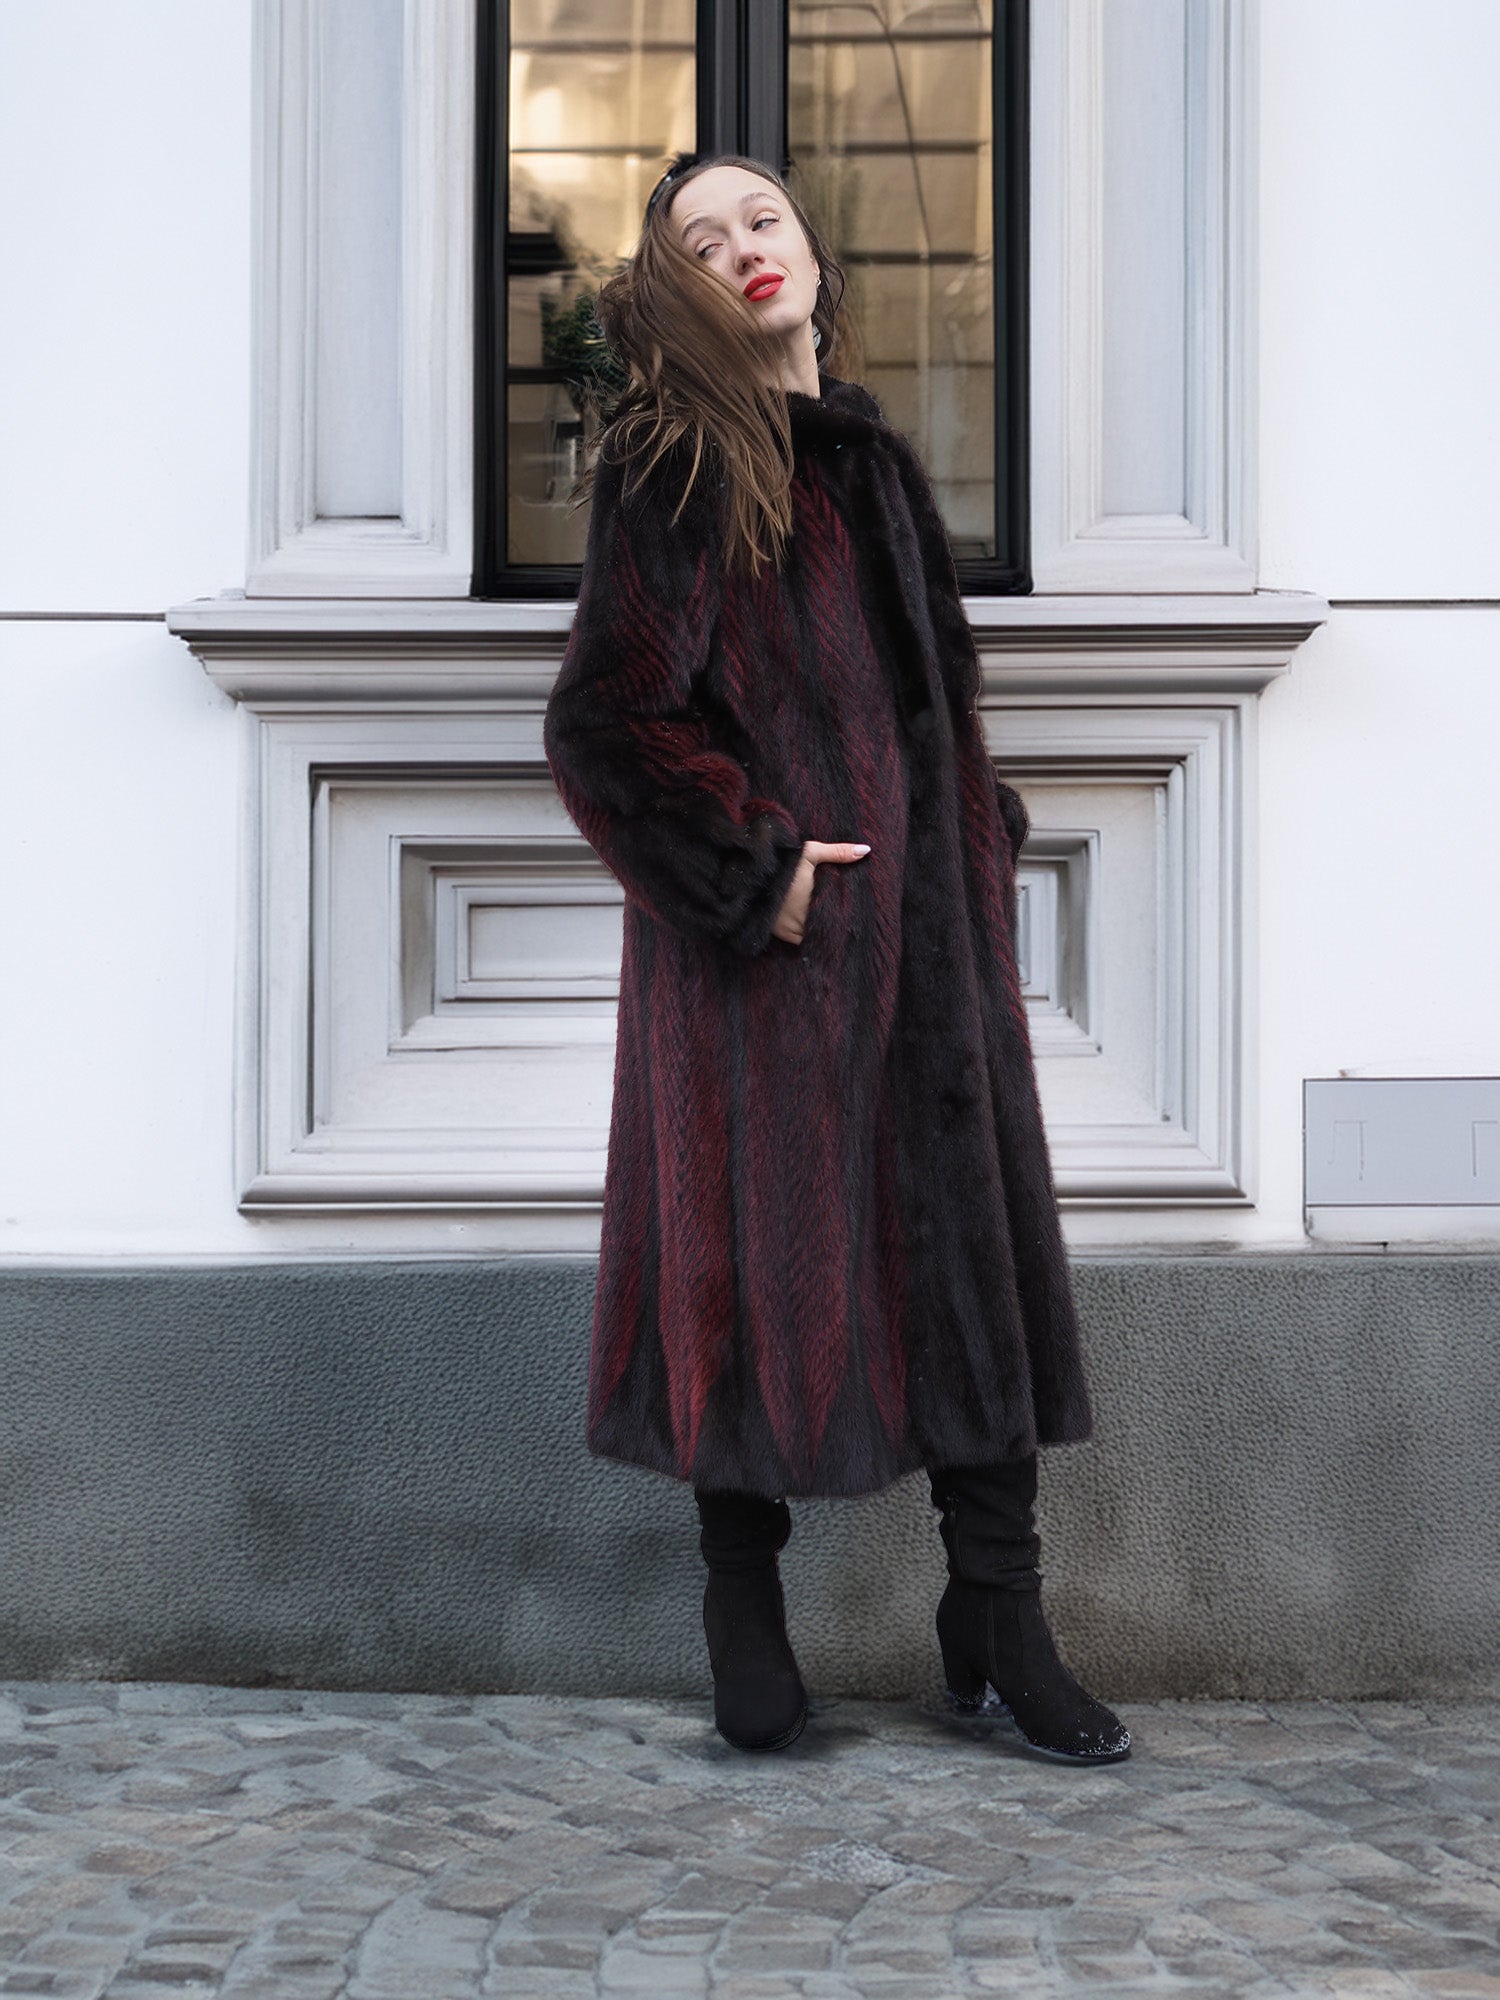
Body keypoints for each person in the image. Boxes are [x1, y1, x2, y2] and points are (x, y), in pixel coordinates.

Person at [542, 152, 1130, 1766]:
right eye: (701, 237)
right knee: (750, 1264)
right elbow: (607, 725)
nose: (743, 247)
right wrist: (761, 875)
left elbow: (909, 697)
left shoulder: (866, 456)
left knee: (969, 1266)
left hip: (930, 953)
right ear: (674, 288)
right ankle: (744, 1611)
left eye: (764, 218)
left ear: (811, 251)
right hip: (768, 969)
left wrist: (970, 826)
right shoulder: (674, 463)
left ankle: (996, 1614)